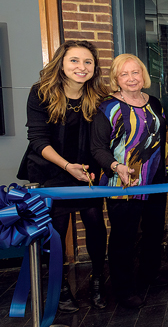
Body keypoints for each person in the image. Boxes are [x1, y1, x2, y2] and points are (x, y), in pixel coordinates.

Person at [17, 40, 109, 312]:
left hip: (86, 171)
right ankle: (60, 287)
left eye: (88, 62)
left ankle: (97, 280)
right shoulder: (41, 93)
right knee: (55, 231)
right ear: (61, 63)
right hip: (51, 170)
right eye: (75, 61)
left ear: (94, 67)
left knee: (94, 223)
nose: (81, 67)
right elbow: (37, 139)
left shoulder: (98, 95)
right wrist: (67, 166)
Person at [91, 54, 168, 308]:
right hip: (122, 184)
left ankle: (149, 274)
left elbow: (165, 138)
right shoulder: (107, 107)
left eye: (136, 73)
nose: (131, 78)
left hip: (154, 180)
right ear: (116, 79)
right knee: (123, 238)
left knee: (153, 231)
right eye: (124, 74)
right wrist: (116, 167)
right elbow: (97, 148)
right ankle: (124, 289)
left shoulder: (155, 103)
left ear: (144, 76)